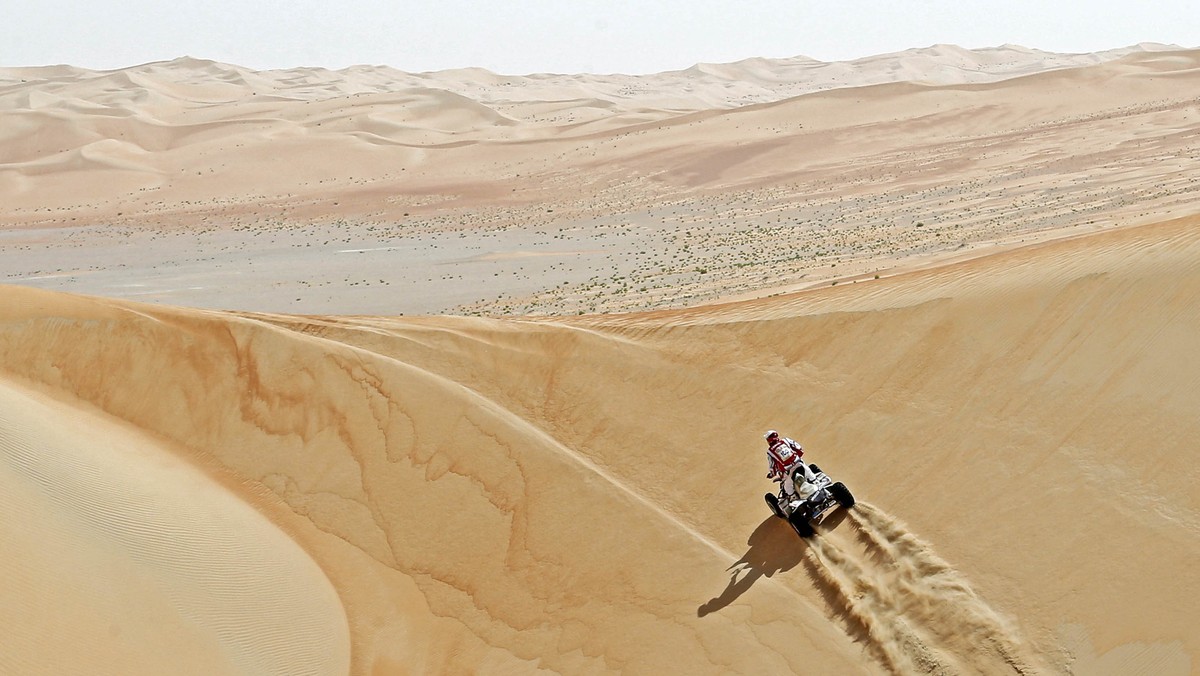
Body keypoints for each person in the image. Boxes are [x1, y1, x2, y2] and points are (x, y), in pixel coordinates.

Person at [764, 430, 807, 501]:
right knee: (811, 476)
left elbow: (772, 466)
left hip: (789, 471)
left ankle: (794, 498)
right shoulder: (785, 440)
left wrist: (772, 474)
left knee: (788, 487)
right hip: (800, 463)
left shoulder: (770, 451)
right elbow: (799, 449)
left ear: (769, 440)